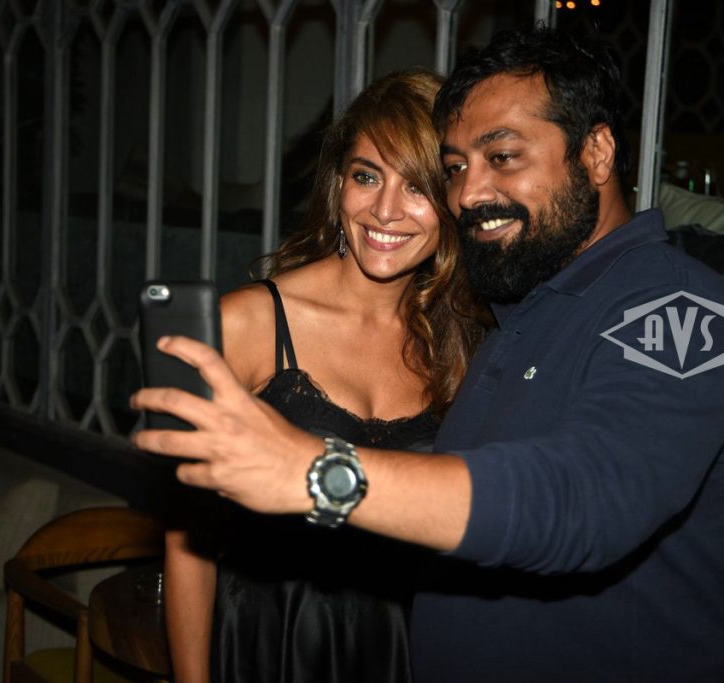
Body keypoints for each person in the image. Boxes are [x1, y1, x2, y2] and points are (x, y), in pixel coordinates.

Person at [133, 26, 724, 682]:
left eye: (504, 156)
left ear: (597, 152)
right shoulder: (508, 311)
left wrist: (315, 471)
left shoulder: (687, 314)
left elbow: (584, 499)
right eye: (457, 168)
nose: (468, 194)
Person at [160, 68, 487, 683]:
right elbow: (186, 542)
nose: (385, 210)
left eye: (417, 186)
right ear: (338, 184)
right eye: (367, 176)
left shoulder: (460, 341)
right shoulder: (248, 324)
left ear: (453, 198)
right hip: (270, 645)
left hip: (405, 649)